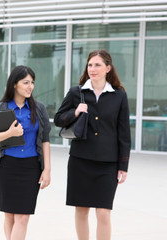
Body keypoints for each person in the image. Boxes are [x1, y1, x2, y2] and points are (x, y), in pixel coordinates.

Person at [54, 49, 131, 240]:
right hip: (80, 161)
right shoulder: (76, 92)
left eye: (97, 65)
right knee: (81, 210)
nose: (93, 69)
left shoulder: (119, 96)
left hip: (108, 163)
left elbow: (124, 133)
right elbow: (57, 119)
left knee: (103, 212)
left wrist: (123, 165)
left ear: (108, 68)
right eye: (90, 64)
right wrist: (75, 113)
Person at [0, 65, 51, 240]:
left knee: (23, 217)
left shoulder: (39, 108)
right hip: (7, 167)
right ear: (15, 84)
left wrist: (47, 169)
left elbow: (45, 139)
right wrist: (8, 134)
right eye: (26, 82)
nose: (30, 87)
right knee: (9, 215)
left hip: (31, 168)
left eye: (32, 83)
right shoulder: (1, 107)